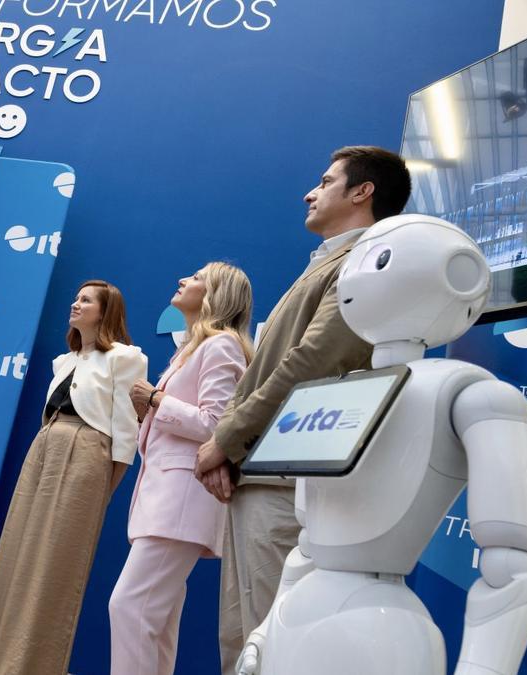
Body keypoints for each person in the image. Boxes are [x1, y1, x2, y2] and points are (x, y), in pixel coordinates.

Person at [193, 146, 411, 675]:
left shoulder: (364, 261)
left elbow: (313, 361)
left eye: (326, 181)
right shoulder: (328, 262)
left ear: (363, 192)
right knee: (242, 642)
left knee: (276, 645)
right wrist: (234, 448)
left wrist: (227, 437)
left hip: (289, 480)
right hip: (260, 473)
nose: (309, 193)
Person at [0, 280, 147, 675]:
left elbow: (125, 434)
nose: (75, 303)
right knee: (17, 552)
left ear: (106, 311)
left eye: (86, 300)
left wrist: (104, 489)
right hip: (44, 448)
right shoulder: (64, 361)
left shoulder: (125, 358)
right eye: (76, 296)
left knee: (55, 566)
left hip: (86, 458)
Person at [109, 262, 254, 675]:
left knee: (131, 607)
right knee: (157, 617)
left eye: (195, 278)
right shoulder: (196, 348)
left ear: (216, 293)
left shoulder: (220, 345)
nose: (182, 280)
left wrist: (156, 401)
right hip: (169, 500)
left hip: (182, 499)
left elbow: (218, 425)